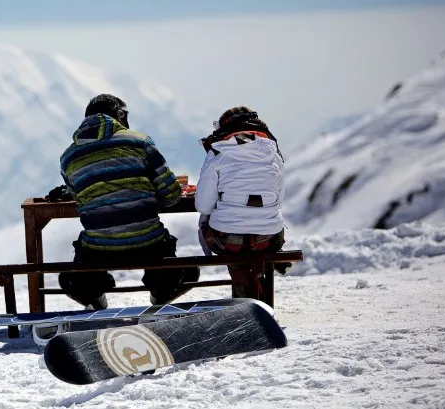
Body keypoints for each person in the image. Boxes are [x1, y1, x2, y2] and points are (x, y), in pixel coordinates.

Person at [58, 94, 199, 310]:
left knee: (70, 273)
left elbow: (79, 199)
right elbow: (171, 196)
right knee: (188, 268)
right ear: (120, 116)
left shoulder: (68, 157)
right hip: (148, 244)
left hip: (99, 250)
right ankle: (161, 295)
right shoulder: (140, 142)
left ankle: (95, 300)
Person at [195, 106, 290, 298]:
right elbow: (279, 199)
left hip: (228, 239)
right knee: (253, 237)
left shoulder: (217, 152)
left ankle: (246, 293)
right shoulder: (273, 151)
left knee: (219, 228)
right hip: (269, 238)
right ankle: (256, 286)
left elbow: (202, 206)